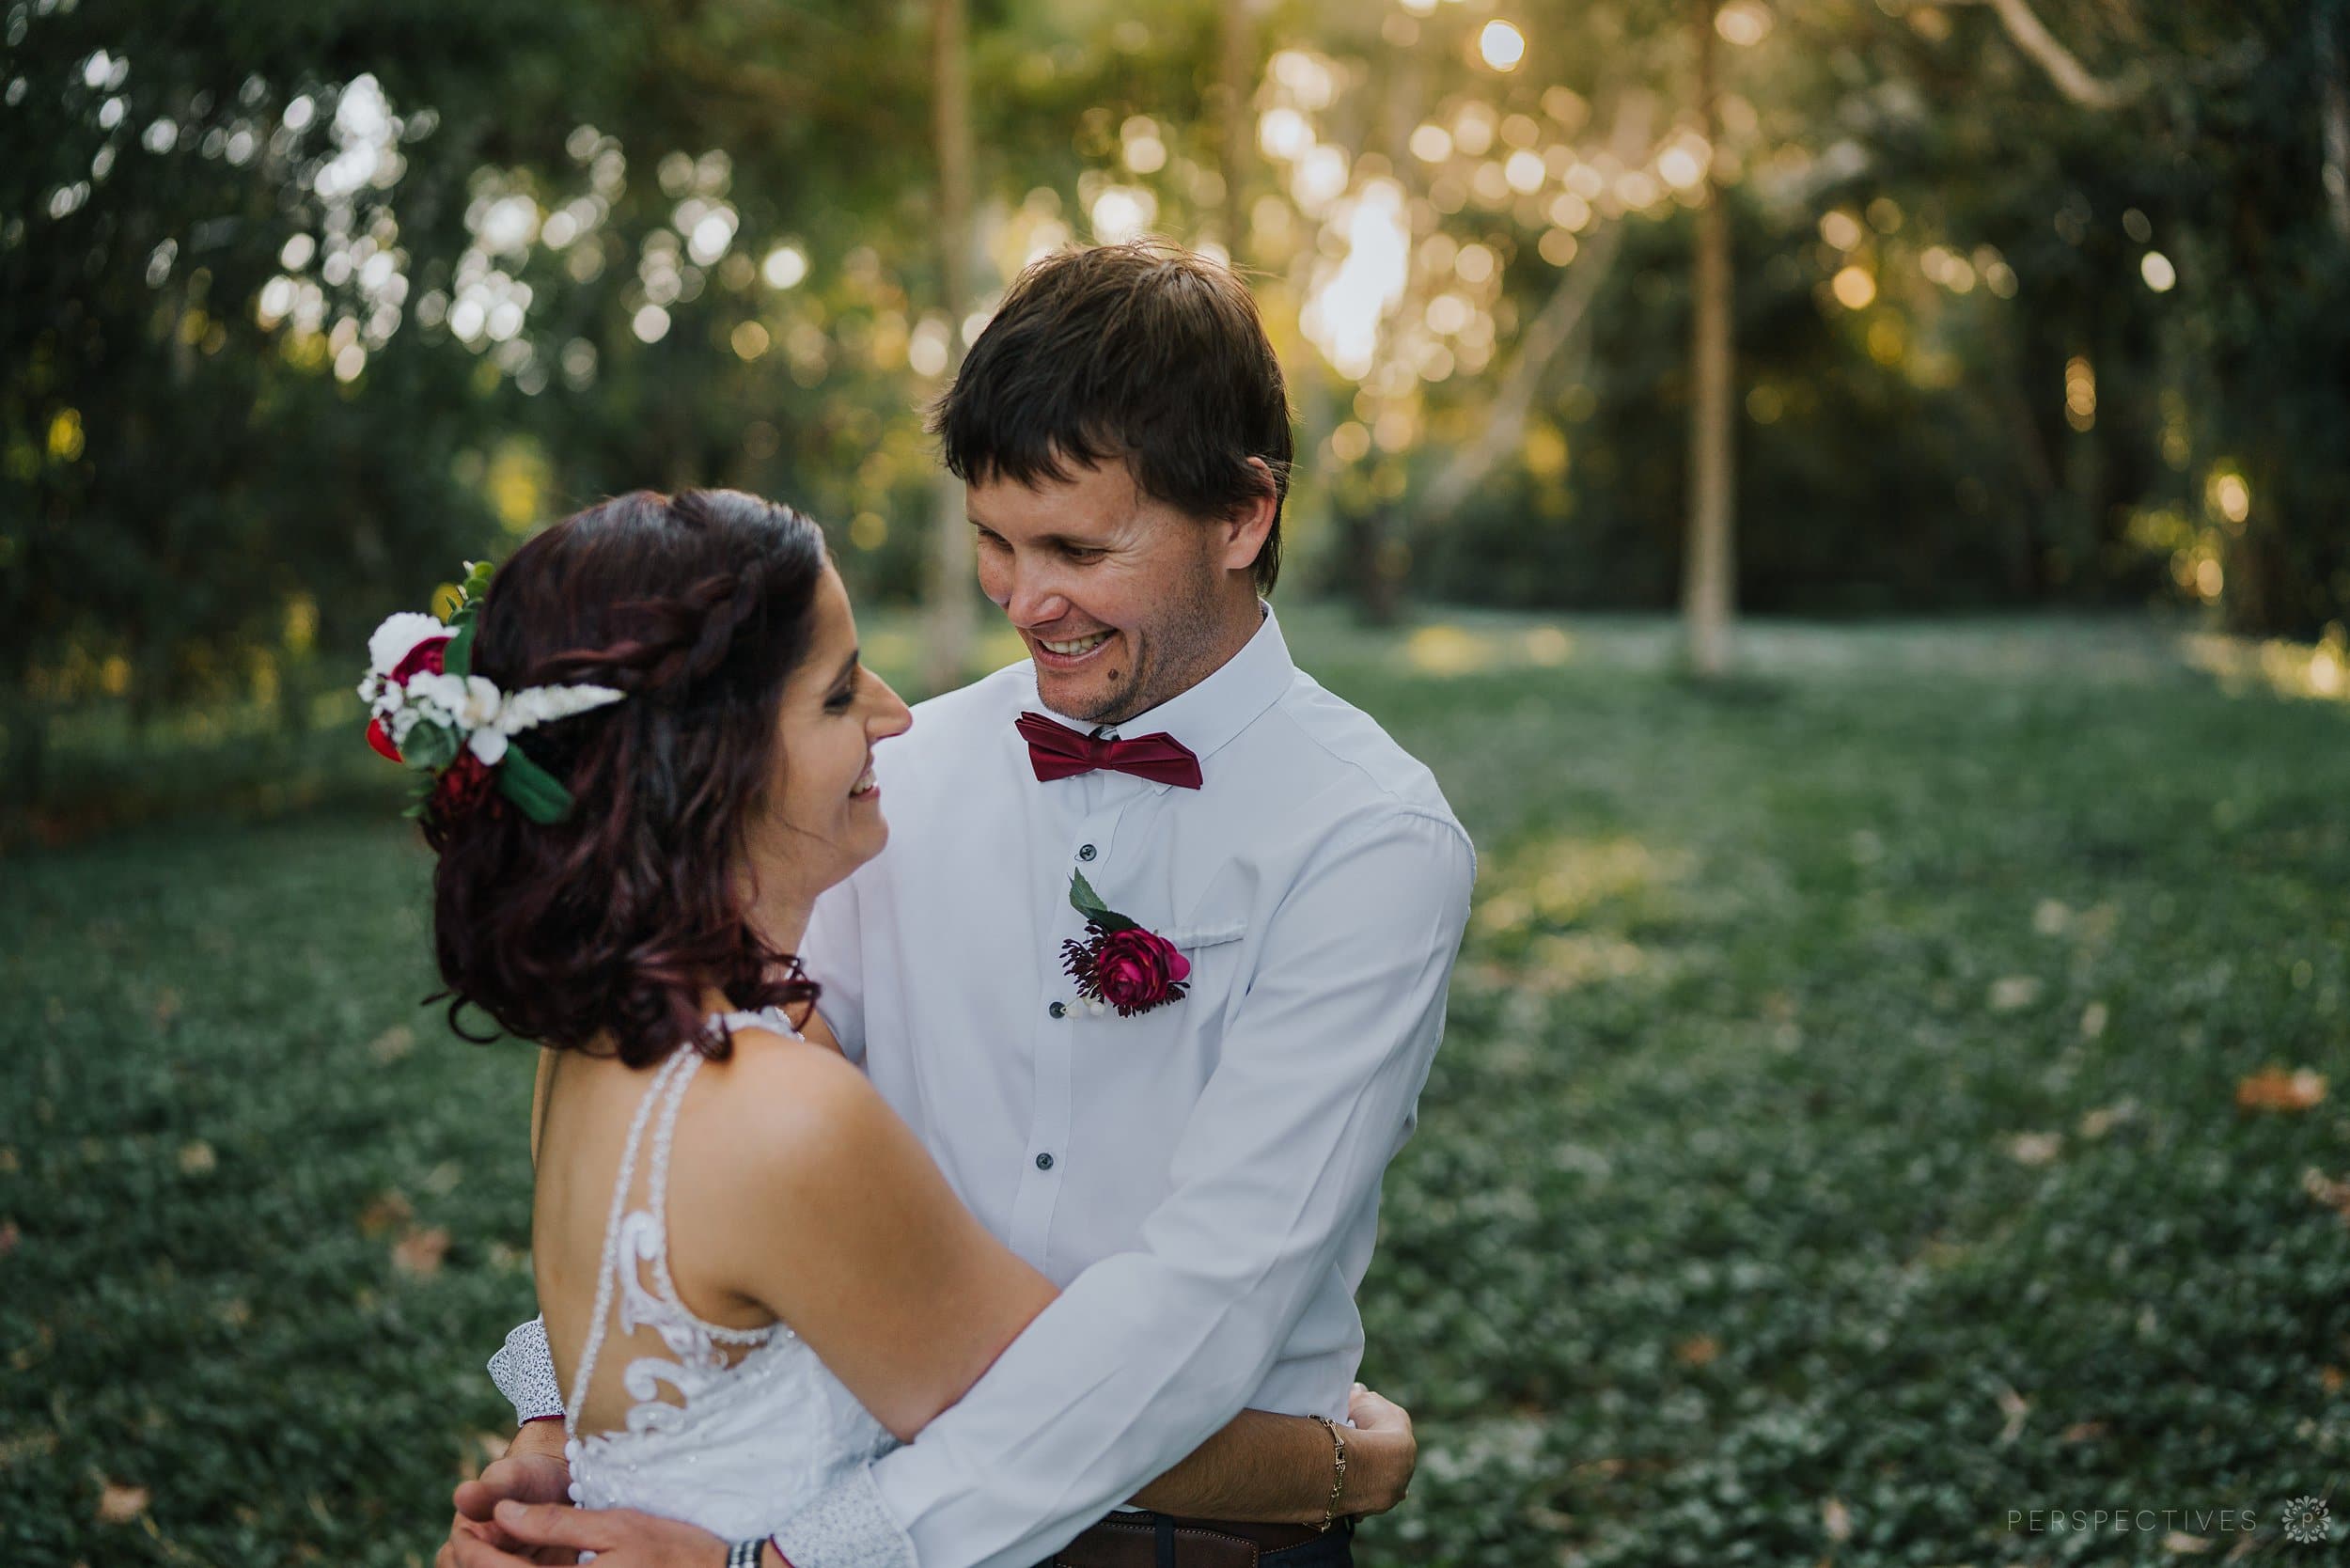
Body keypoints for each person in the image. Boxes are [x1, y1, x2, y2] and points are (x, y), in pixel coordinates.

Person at [449, 242, 1477, 1568]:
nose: (1025, 601)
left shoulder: (1371, 842)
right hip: (856, 1494)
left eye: (1077, 548)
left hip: (1189, 1539)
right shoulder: (885, 774)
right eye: (994, 539)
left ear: (1242, 517)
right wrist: (581, 1420)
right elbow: (709, 1102)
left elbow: (1210, 1300)